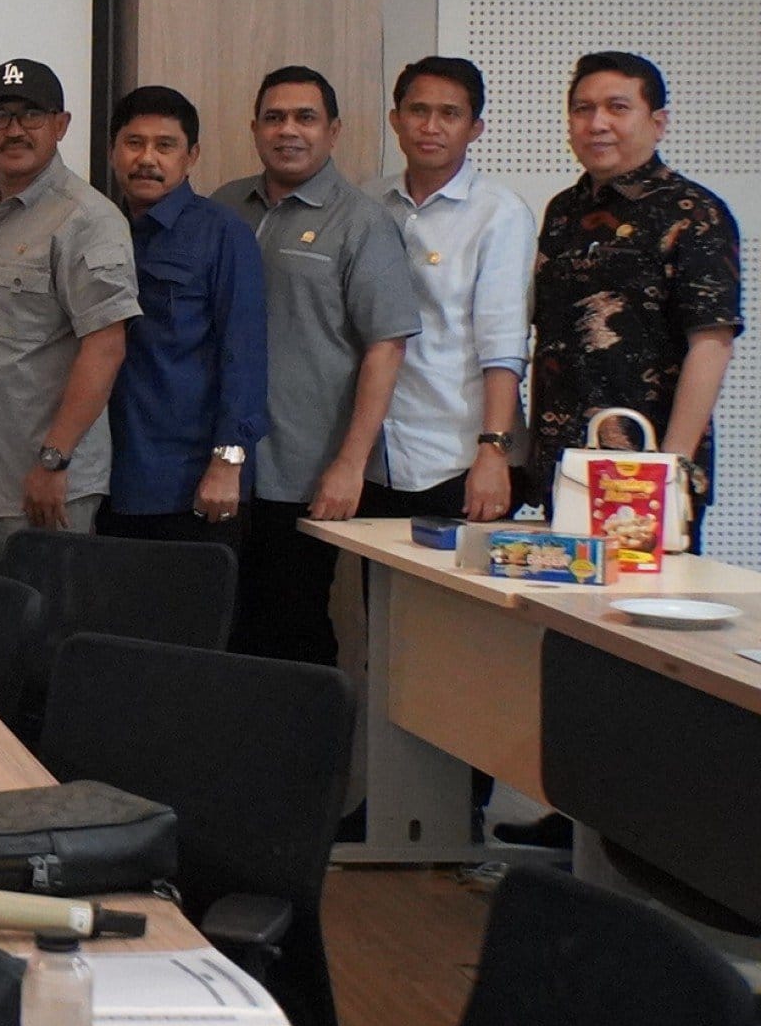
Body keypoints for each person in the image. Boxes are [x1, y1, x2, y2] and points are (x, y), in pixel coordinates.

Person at [214, 66, 418, 665]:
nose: (288, 130)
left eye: (305, 117)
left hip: (303, 471)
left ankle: (309, 731)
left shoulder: (361, 222)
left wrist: (350, 465)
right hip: (222, 467)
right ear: (255, 128)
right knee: (224, 628)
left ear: (333, 130)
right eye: (274, 117)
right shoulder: (225, 207)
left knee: (293, 627)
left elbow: (386, 346)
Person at [0, 59, 140, 595]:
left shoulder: (89, 219)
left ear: (61, 124)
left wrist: (55, 460)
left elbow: (106, 346)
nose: (14, 130)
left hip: (47, 483)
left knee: (46, 630)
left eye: (31, 115)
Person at [530, 51, 742, 530]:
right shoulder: (562, 212)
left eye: (618, 107)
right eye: (583, 109)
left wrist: (671, 468)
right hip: (564, 463)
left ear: (658, 122)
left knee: (641, 584)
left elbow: (711, 343)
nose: (597, 123)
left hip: (646, 469)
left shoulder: (695, 212)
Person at [366, 57, 535, 522]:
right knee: (378, 574)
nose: (431, 127)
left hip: (461, 459)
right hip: (378, 458)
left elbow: (504, 344)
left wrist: (493, 451)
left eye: (450, 114)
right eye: (418, 110)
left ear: (475, 127)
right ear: (395, 119)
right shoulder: (368, 203)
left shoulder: (499, 213)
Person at [101, 85, 270, 546]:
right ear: (113, 151)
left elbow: (244, 355)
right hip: (107, 477)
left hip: (192, 481)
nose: (147, 159)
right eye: (134, 143)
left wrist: (228, 462)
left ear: (190, 156)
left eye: (165, 145)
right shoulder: (97, 229)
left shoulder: (223, 233)